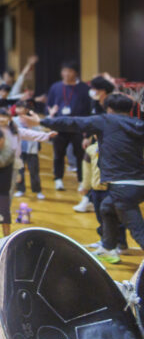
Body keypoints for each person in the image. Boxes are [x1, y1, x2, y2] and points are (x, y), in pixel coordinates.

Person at [25, 93, 144, 264]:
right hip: (139, 184)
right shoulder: (138, 124)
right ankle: (108, 248)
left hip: (122, 186)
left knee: (137, 229)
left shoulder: (106, 120)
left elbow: (72, 122)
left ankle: (110, 247)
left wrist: (41, 121)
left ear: (109, 109)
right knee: (106, 207)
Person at [45, 60, 90, 190]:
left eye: (69, 71)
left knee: (80, 155)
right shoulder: (55, 87)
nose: (66, 73)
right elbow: (49, 104)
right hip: (60, 127)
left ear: (76, 72)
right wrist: (50, 113)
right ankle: (58, 179)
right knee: (58, 154)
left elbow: (88, 109)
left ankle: (82, 181)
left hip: (77, 127)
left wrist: (87, 130)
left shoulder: (84, 88)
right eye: (64, 70)